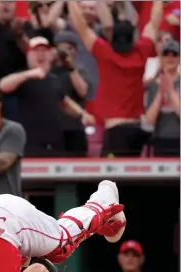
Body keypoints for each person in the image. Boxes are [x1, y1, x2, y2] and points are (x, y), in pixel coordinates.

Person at [68, 0, 163, 157]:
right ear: (133, 39)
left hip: (115, 131)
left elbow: (81, 27)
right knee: (133, 178)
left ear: (112, 39)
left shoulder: (106, 54)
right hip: (136, 128)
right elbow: (154, 24)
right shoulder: (140, 53)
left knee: (110, 180)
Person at [0, 36, 95, 158]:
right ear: (28, 55)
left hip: (54, 142)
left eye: (44, 51)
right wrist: (30, 74)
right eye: (36, 51)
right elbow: (3, 85)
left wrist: (82, 114)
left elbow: (64, 101)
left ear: (50, 55)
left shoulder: (54, 79)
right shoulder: (23, 77)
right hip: (30, 143)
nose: (41, 55)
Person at [52, 31, 92, 157]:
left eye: (70, 48)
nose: (66, 52)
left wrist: (71, 66)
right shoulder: (48, 71)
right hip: (55, 128)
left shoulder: (79, 71)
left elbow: (83, 91)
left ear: (75, 51)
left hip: (75, 127)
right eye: (62, 48)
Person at [145, 40, 180, 157]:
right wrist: (160, 92)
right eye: (166, 54)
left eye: (174, 55)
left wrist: (170, 91)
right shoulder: (154, 86)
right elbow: (149, 119)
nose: (170, 58)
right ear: (160, 59)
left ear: (179, 59)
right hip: (160, 139)